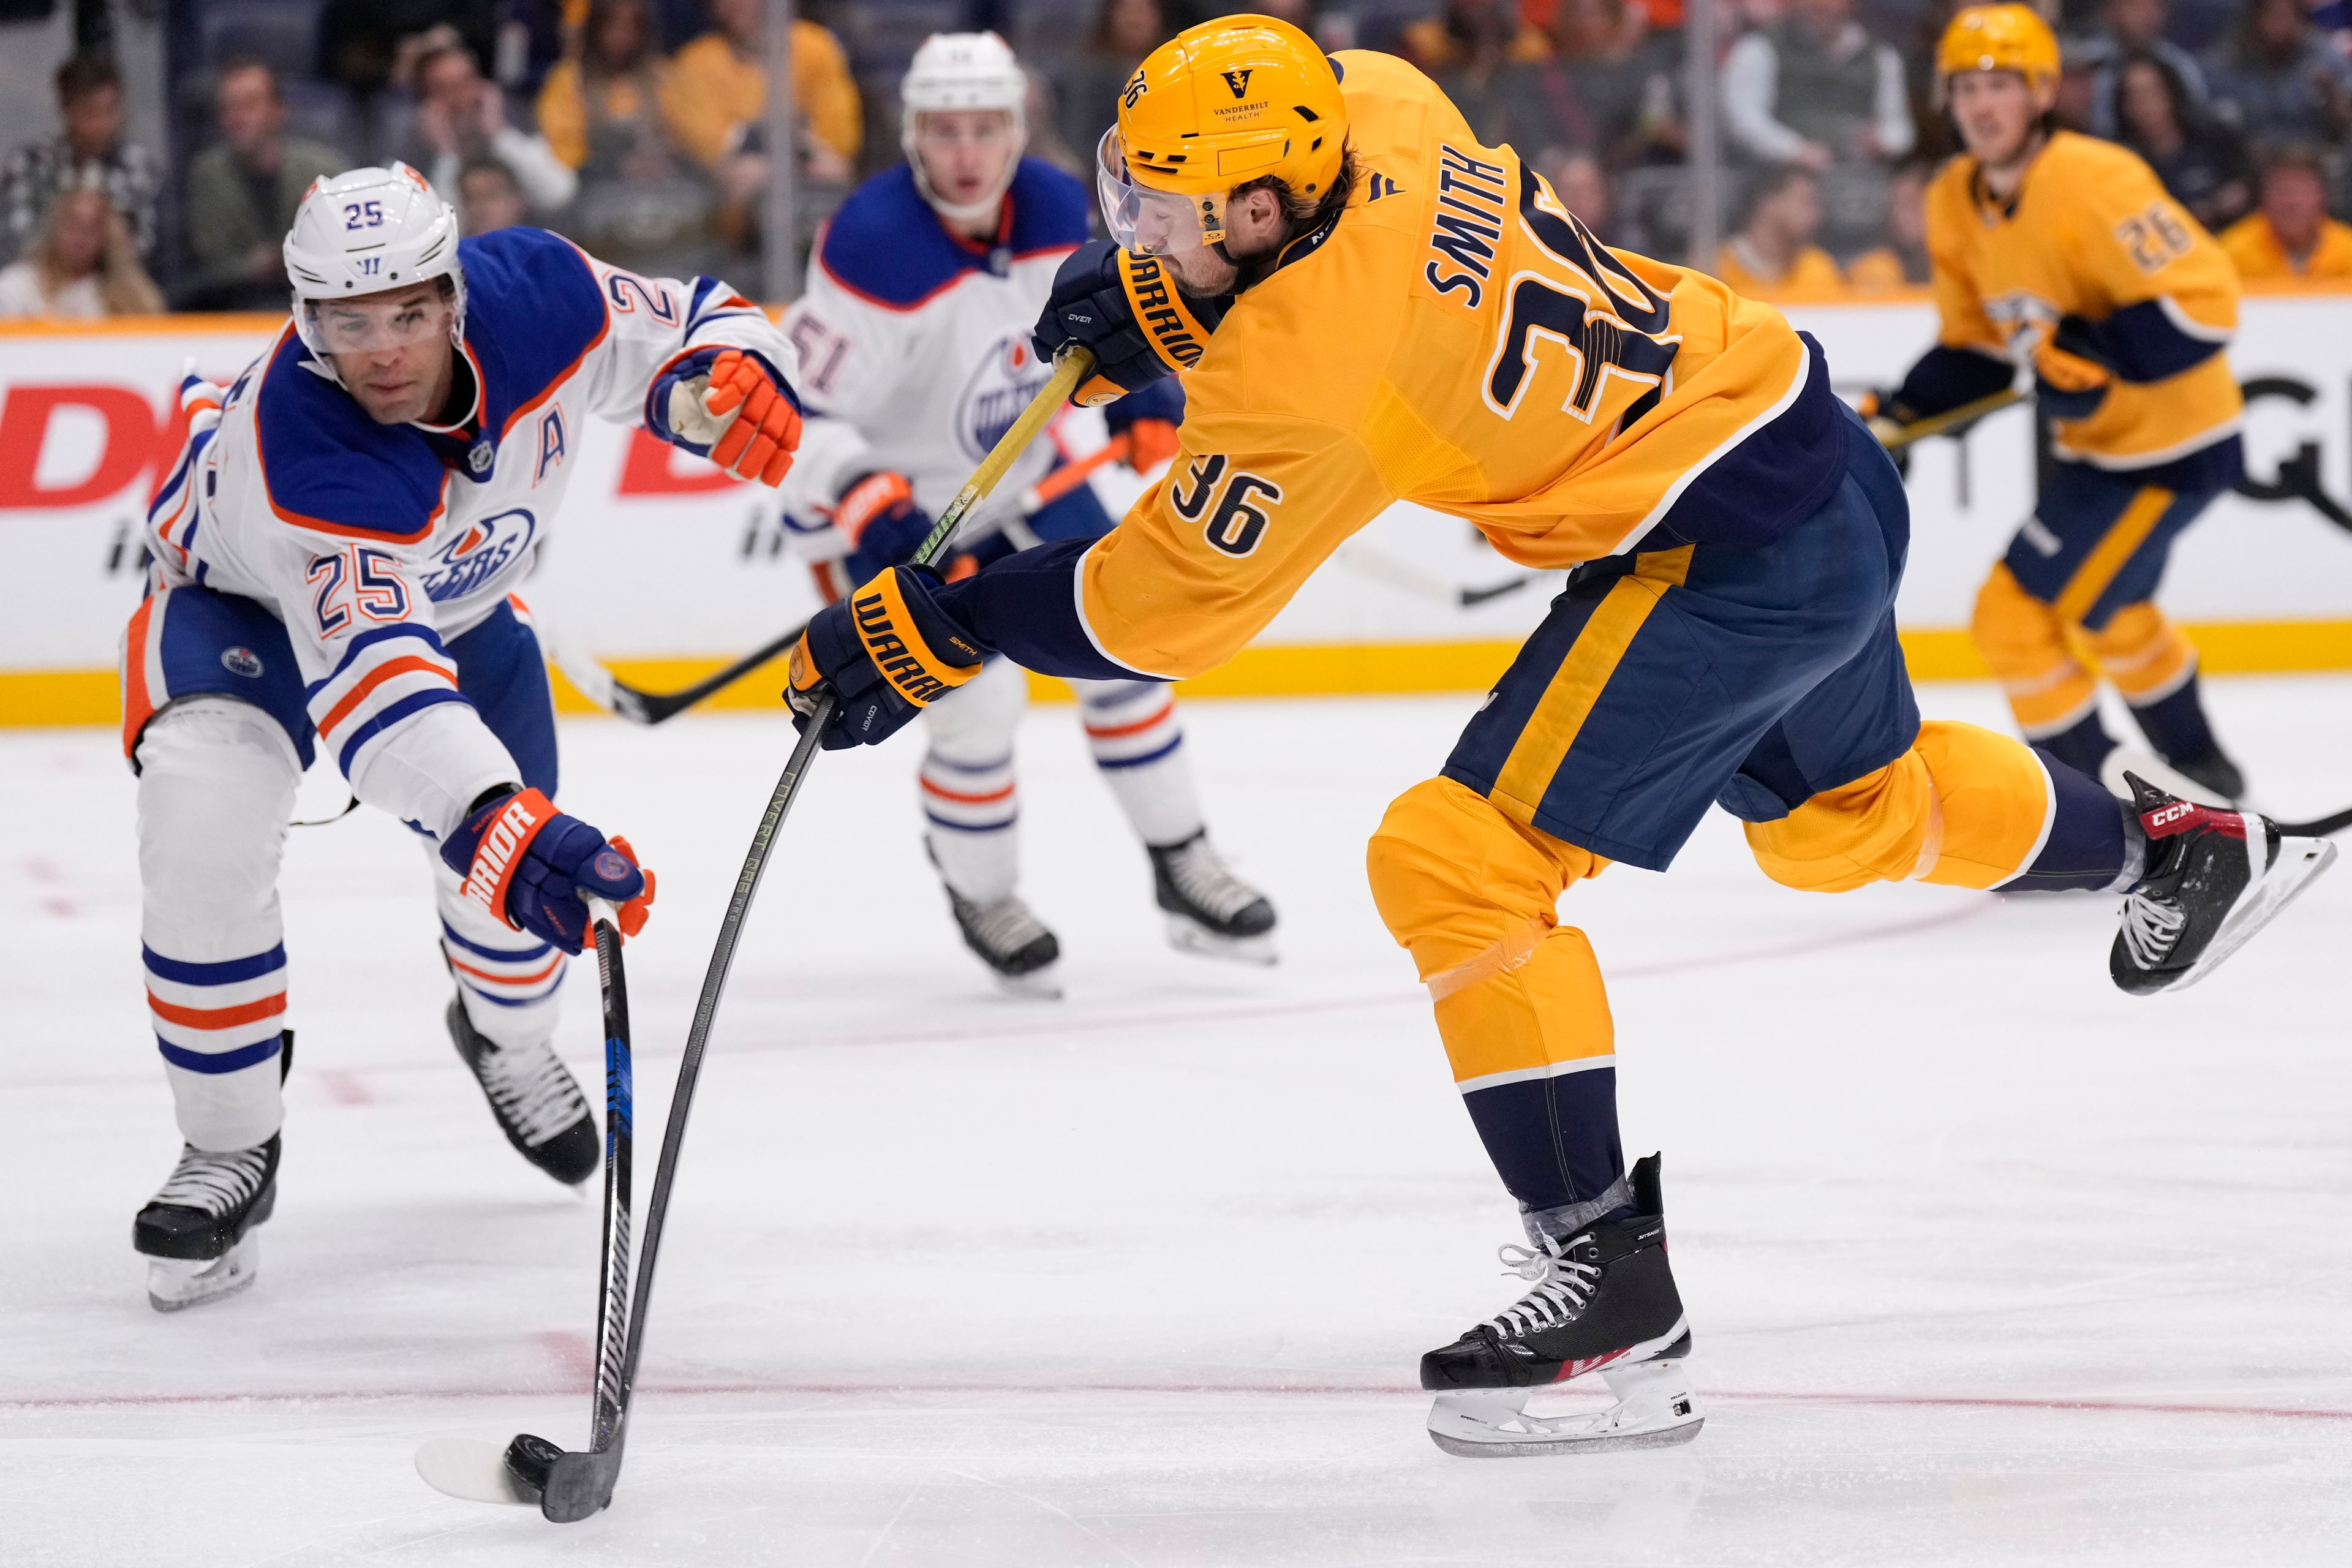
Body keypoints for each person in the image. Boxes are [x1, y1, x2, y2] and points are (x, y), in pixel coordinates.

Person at [782, 13, 2335, 1453]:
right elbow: (1323, 269)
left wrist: (949, 619)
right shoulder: (1379, 97)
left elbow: (1151, 613)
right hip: (1801, 443)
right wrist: (1162, 302)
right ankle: (2176, 845)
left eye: (1169, 214)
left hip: (1714, 546)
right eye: (1132, 199)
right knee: (1841, 819)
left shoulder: (1307, 380)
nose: (1139, 233)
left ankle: (1607, 1291)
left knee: (1451, 860)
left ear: (1263, 212)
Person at [123, 162, 804, 1312]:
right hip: (233, 608)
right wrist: (499, 825)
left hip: (467, 612)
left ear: (452, 297)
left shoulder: (539, 290)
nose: (383, 350)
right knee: (204, 822)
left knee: (513, 925)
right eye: (348, 321)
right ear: (307, 319)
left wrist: (728, 383)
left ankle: (506, 1036)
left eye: (408, 314)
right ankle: (230, 1142)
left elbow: (693, 322)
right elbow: (376, 698)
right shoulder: (313, 448)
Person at [775, 33, 1278, 996]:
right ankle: (984, 891)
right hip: (898, 509)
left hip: (1026, 478)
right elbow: (803, 408)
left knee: (1133, 649)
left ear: (1020, 128)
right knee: (976, 705)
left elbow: (1113, 320)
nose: (968, 151)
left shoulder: (1055, 201)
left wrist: (1139, 395)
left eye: (988, 127)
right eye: (946, 130)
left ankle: (1183, 861)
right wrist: (868, 500)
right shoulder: (870, 242)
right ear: (913, 136)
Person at [1869, 6, 2250, 804]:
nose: (1982, 104)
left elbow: (2206, 307)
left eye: (2002, 83)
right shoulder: (1950, 201)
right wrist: (1903, 413)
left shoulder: (2096, 178)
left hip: (2174, 451)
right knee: (2114, 614)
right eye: (1966, 86)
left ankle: (2112, 811)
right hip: (2100, 452)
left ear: (2041, 92)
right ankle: (2206, 774)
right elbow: (1975, 346)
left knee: (2010, 619)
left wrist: (2098, 349)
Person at [181, 59, 349, 312]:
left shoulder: (326, 170)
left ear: (279, 110)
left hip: (318, 306)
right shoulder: (207, 175)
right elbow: (203, 267)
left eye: (249, 105)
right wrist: (251, 266)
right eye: (228, 108)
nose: (237, 118)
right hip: (234, 312)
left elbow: (347, 251)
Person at [0, 52, 160, 266]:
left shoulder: (142, 168)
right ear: (66, 110)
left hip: (121, 294)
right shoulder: (28, 166)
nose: (103, 124)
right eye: (91, 112)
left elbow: (150, 249)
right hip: (42, 293)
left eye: (111, 110)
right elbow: (14, 246)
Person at [668, 0, 864, 175]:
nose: (733, 4)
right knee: (750, 173)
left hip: (806, 160)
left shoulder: (816, 46)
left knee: (831, 170)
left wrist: (804, 147)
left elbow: (842, 133)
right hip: (734, 176)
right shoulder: (697, 60)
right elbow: (705, 142)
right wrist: (756, 141)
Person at [1720, 0, 1914, 172]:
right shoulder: (1759, 47)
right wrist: (1795, 151)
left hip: (1857, 180)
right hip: (1776, 180)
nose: (1820, 4)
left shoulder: (1881, 57)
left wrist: (1881, 141)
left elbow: (1899, 129)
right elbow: (1744, 120)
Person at [409, 41, 578, 219]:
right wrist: (446, 154)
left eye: (468, 81)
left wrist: (499, 135)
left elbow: (559, 195)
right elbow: (441, 227)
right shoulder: (410, 148)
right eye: (447, 89)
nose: (464, 98)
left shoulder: (515, 117)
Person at [2115, 52, 2251, 232]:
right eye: (2135, 96)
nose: (2147, 104)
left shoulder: (2217, 140)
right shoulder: (2124, 164)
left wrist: (2228, 201)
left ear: (2172, 92)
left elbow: (2246, 186)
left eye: (2154, 91)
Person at [2203, 0, 2352, 150]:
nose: (2281, 25)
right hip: (2246, 161)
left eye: (2289, 16)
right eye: (2273, 16)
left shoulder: (2327, 59)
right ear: (2254, 18)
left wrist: (2333, 98)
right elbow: (2209, 118)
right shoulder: (2227, 61)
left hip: (2316, 159)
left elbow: (2346, 118)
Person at [0, 181, 160, 318]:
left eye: (92, 228)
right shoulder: (19, 286)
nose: (81, 237)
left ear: (107, 237)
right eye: (73, 226)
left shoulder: (132, 298)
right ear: (55, 228)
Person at [1056, 0, 1174, 166]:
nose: (1136, 19)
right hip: (1101, 170)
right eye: (1129, 11)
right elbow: (1078, 138)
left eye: (1143, 11)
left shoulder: (1174, 70)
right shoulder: (1088, 74)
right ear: (1110, 17)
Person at [2070, 0, 2210, 140]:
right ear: (2108, 10)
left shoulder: (2179, 66)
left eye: (2152, 5)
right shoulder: (2081, 64)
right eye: (2134, 5)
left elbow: (2197, 124)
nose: (2146, 15)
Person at [1714, 163, 1848, 298]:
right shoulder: (1716, 265)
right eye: (1805, 202)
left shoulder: (1816, 266)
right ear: (1768, 202)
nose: (1816, 215)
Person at [2218, 146, 2352, 278]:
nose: (2293, 203)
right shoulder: (2230, 253)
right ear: (2262, 196)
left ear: (2323, 196)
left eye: (2303, 191)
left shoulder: (2349, 249)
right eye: (2282, 191)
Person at [455, 156, 530, 236]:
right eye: (470, 199)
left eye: (490, 196)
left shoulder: (541, 242)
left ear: (517, 200)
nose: (480, 210)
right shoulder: (456, 247)